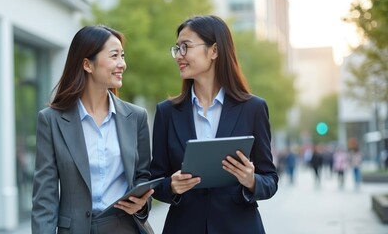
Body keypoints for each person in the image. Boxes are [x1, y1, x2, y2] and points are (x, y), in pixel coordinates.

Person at [149, 15, 278, 234]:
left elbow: (270, 180)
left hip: (239, 227)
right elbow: (155, 181)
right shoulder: (166, 112)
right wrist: (171, 186)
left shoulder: (253, 109)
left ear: (214, 51)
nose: (178, 56)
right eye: (177, 48)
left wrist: (251, 180)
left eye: (185, 47)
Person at [32, 25, 154, 234]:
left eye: (122, 56)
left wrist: (142, 203)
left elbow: (144, 176)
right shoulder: (51, 120)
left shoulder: (136, 117)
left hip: (125, 227)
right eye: (114, 56)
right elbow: (45, 198)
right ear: (87, 64)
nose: (122, 64)